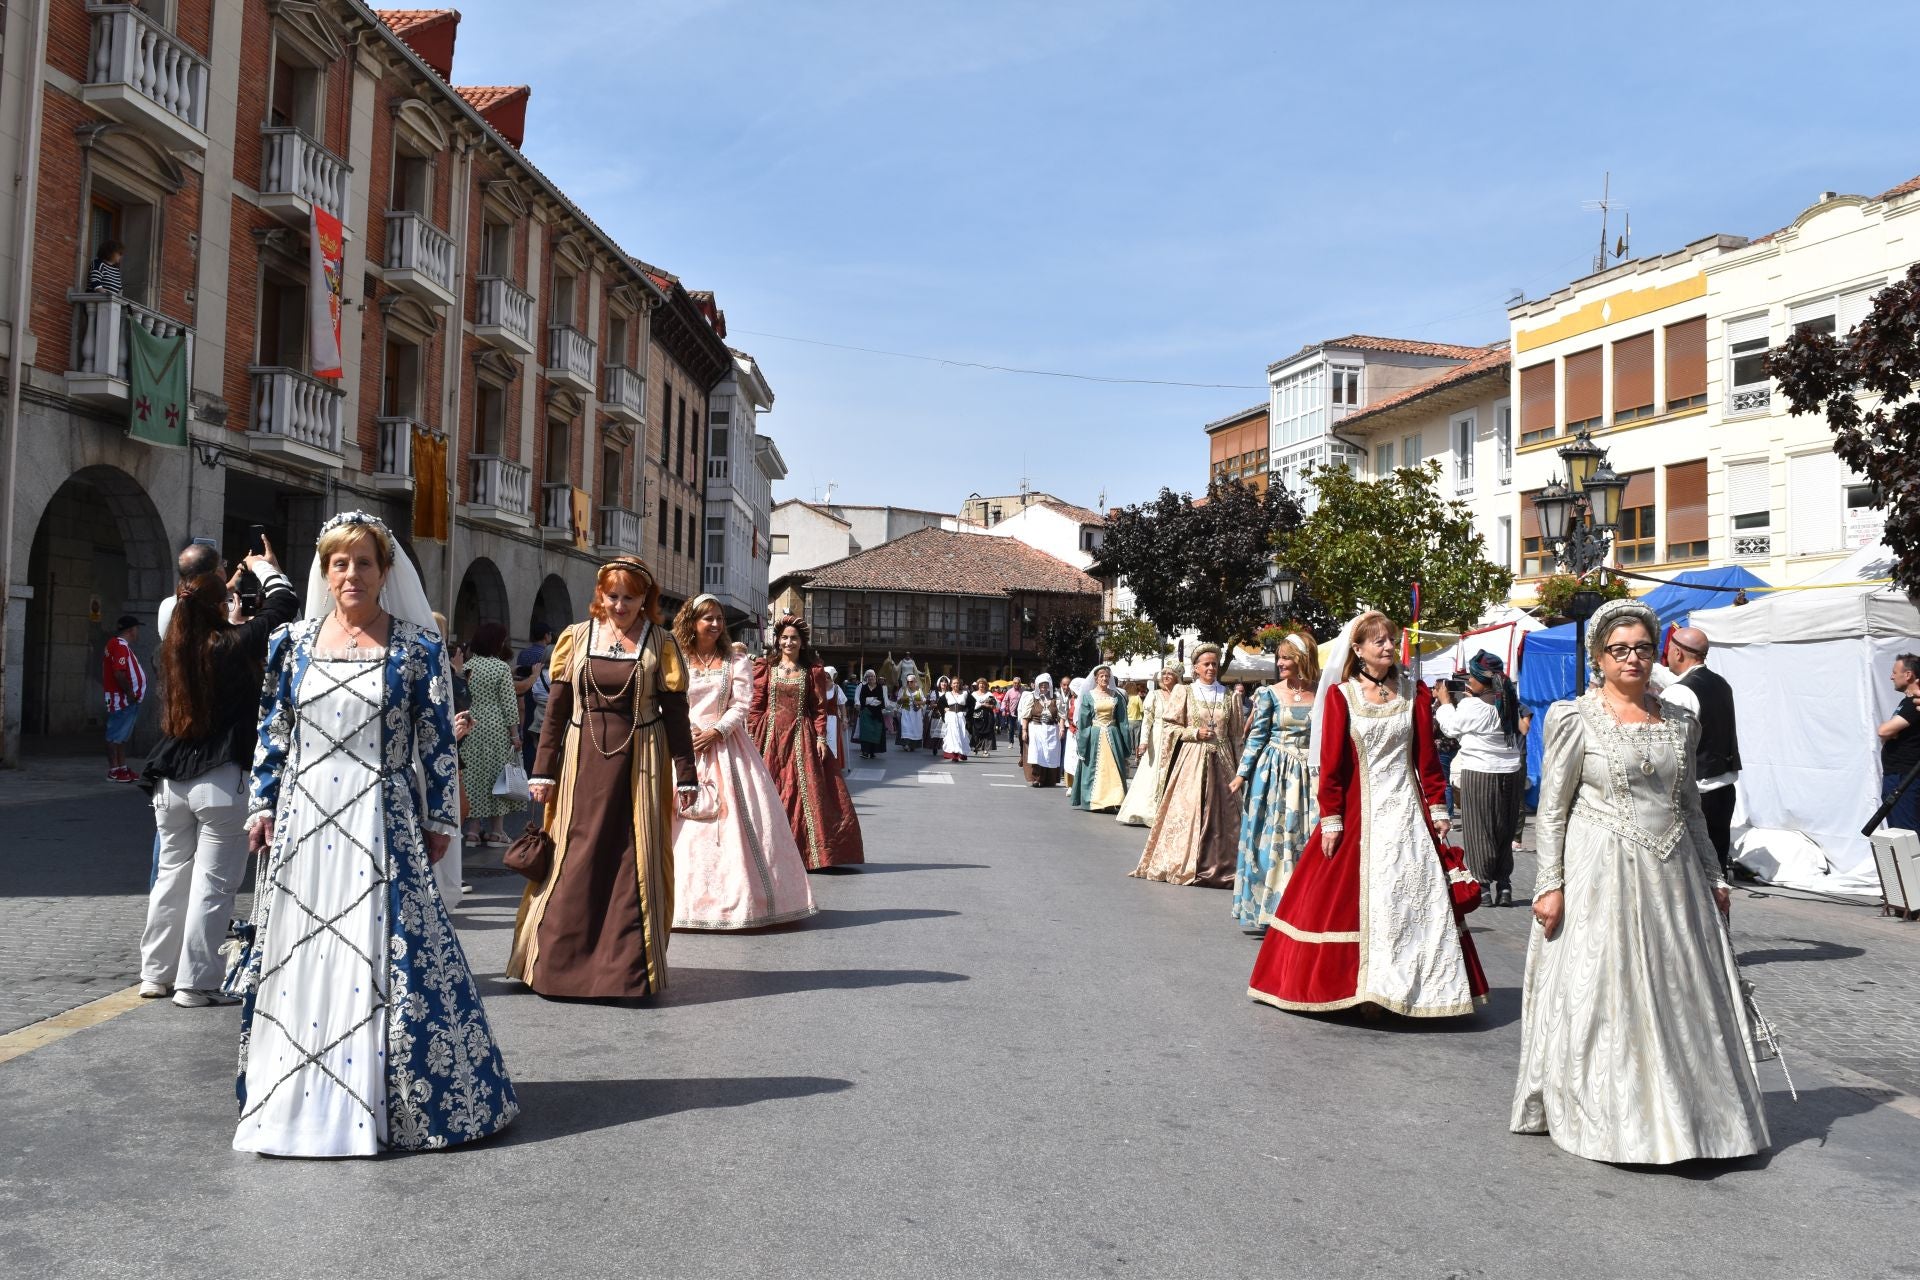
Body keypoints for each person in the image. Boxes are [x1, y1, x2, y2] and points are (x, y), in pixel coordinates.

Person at [234, 511, 516, 1156]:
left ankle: (383, 1092)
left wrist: (442, 813)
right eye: (340, 563)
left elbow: (437, 740)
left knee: (384, 953)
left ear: (385, 572)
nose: (352, 575)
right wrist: (263, 805)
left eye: (364, 562)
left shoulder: (417, 649)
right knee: (302, 952)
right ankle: (293, 1091)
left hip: (381, 815)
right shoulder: (292, 645)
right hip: (305, 820)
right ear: (325, 572)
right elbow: (274, 733)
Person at [1512, 599, 1768, 1163]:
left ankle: (1694, 1119)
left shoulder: (1681, 719)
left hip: (1673, 876)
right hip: (1601, 869)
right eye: (1619, 649)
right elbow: (1552, 810)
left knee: (1680, 992)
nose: (1633, 658)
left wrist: (1713, 874)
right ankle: (1613, 1113)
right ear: (1599, 657)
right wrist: (1549, 884)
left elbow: (1691, 809)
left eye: (1643, 648)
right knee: (1608, 991)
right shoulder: (1573, 717)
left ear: (1659, 653)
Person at [1248, 611, 1488, 1017]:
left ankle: (1417, 989)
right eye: (1379, 641)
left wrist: (1438, 806)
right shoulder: (1343, 696)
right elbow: (1333, 763)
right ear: (1358, 650)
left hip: (1408, 811)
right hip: (1363, 811)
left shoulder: (1415, 692)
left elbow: (1427, 760)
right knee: (1351, 899)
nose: (1389, 647)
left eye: (1391, 640)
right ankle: (1367, 987)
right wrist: (1332, 818)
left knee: (1414, 897)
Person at [510, 558, 697, 998]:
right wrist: (543, 771)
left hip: (642, 762)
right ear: (601, 595)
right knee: (576, 853)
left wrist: (686, 776)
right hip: (582, 759)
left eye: (629, 598)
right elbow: (554, 712)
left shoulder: (661, 643)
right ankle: (556, 964)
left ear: (644, 600)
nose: (619, 605)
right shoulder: (575, 639)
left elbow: (676, 715)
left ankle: (624, 973)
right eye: (612, 596)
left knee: (635, 856)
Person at [137, 538, 299, 1006]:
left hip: (170, 781)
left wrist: (217, 587)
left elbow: (186, 608)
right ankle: (196, 982)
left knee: (169, 878)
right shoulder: (230, 645)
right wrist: (264, 568)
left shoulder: (169, 650)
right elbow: (284, 606)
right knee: (213, 887)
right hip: (221, 779)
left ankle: (155, 974)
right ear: (220, 603)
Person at [670, 595, 817, 930]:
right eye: (708, 618)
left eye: (719, 618)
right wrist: (689, 731)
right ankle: (675, 902)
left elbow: (742, 704)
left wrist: (716, 731)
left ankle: (743, 902)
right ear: (692, 622)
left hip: (727, 748)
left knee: (738, 823)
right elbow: (670, 699)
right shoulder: (676, 657)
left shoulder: (734, 658)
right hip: (684, 744)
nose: (716, 624)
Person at [751, 614, 865, 869]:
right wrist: (750, 737)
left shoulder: (811, 671)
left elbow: (818, 708)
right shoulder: (765, 668)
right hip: (769, 735)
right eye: (784, 638)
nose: (789, 642)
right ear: (778, 641)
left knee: (804, 792)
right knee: (770, 789)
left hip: (801, 735)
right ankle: (767, 849)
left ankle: (806, 852)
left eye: (794, 638)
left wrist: (821, 738)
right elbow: (756, 706)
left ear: (802, 642)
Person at [1131, 643, 1244, 887]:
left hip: (1222, 759)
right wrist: (1194, 732)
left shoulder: (1229, 696)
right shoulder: (1185, 692)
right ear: (1196, 668)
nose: (1211, 668)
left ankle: (1224, 863)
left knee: (1226, 814)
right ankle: (1186, 862)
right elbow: (1171, 726)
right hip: (1193, 759)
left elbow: (1236, 736)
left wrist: (1241, 770)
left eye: (1214, 664)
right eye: (1206, 664)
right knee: (1189, 808)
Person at [1229, 635, 1320, 933]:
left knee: (1303, 838)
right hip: (1274, 774)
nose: (1279, 663)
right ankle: (1271, 908)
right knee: (1273, 839)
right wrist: (1242, 773)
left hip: (1309, 775)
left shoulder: (1322, 693)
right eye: (1278, 657)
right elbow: (1256, 737)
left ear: (1303, 659)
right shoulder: (1269, 694)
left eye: (1286, 657)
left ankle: (1302, 908)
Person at [1435, 651, 1531, 907]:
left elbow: (1451, 728)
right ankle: (1505, 885)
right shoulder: (1509, 700)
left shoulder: (1473, 705)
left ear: (1479, 678)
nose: (1468, 682)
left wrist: (1445, 702)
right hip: (1511, 770)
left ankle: (1483, 885)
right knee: (1504, 828)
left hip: (1481, 771)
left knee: (1480, 829)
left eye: (1471, 677)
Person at [1657, 626, 1742, 877]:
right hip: (1723, 789)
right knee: (1715, 871)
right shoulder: (1721, 683)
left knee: (1690, 875)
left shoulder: (1679, 692)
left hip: (1696, 794)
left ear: (1678, 653)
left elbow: (1671, 750)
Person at [459, 621, 524, 847]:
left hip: (470, 724)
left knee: (473, 776)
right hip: (496, 726)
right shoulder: (500, 668)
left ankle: (473, 831)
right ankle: (497, 832)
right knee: (499, 776)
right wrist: (515, 735)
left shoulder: (467, 666)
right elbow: (509, 703)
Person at [1116, 664, 1181, 827]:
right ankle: (1146, 811)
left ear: (1176, 677)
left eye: (1170, 674)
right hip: (1157, 737)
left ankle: (1166, 812)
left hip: (1176, 737)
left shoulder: (1181, 695)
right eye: (1164, 673)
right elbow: (1147, 721)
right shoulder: (1155, 695)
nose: (1165, 676)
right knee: (1152, 771)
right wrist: (1143, 741)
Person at [1069, 661, 1133, 813]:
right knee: (1094, 768)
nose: (1105, 679)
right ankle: (1095, 800)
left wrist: (1126, 743)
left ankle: (1113, 800)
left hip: (1112, 734)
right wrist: (1082, 742)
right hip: (1095, 734)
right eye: (1102, 676)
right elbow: (1084, 722)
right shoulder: (1088, 697)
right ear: (1096, 679)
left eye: (1107, 676)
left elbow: (1123, 721)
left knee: (1113, 768)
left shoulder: (1116, 696)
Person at [1878, 653, 1920, 832]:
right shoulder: (1908, 701)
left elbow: (1884, 731)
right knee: (1899, 831)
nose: (1891, 676)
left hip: (1905, 777)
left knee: (1905, 832)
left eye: (1895, 672)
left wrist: (1890, 732)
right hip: (1898, 775)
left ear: (1908, 674)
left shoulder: (1913, 703)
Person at [103, 614, 146, 782]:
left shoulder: (115, 644)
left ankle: (121, 767)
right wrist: (129, 692)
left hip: (124, 698)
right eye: (136, 629)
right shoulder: (119, 646)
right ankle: (114, 769)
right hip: (122, 698)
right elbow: (119, 673)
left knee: (121, 735)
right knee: (115, 734)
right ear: (130, 630)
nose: (138, 632)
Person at [1022, 673, 1067, 786]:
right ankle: (1037, 778)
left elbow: (1062, 715)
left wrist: (1061, 728)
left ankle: (1049, 779)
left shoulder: (1056, 698)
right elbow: (1026, 716)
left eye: (1045, 684)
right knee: (1038, 753)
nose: (1043, 687)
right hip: (1036, 728)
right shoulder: (1032, 698)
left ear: (1049, 685)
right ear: (1037, 686)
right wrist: (1024, 730)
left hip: (1052, 729)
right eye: (1041, 685)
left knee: (1050, 753)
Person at [856, 669, 891, 759]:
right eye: (869, 676)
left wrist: (869, 700)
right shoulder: (863, 687)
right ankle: (865, 752)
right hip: (866, 713)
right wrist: (872, 700)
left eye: (873, 676)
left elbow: (880, 700)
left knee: (875, 732)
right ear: (867, 678)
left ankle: (872, 752)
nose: (871, 678)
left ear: (875, 677)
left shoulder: (880, 687)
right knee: (866, 733)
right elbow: (862, 699)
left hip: (877, 714)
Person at [939, 675, 973, 762]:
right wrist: (945, 709)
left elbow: (972, 703)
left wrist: (966, 712)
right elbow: (940, 703)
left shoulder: (965, 694)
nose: (956, 685)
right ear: (951, 685)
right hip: (951, 716)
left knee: (961, 734)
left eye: (957, 683)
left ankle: (961, 753)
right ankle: (954, 754)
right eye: (954, 683)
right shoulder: (947, 694)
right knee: (952, 735)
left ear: (960, 684)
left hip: (961, 717)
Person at [897, 672, 929, 751]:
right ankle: (906, 744)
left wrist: (918, 702)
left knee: (915, 728)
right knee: (906, 727)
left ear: (915, 682)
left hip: (916, 713)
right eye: (908, 682)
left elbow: (924, 701)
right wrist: (901, 699)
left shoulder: (919, 690)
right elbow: (898, 702)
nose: (909, 683)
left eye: (911, 682)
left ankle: (913, 745)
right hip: (906, 712)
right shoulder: (903, 690)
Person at [821, 665, 847, 762]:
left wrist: (844, 719)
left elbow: (842, 704)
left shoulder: (836, 688)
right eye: (824, 676)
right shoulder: (818, 688)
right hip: (820, 719)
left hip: (833, 720)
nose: (826, 679)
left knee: (833, 742)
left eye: (828, 677)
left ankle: (834, 764)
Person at [969, 677, 998, 754]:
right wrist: (982, 704)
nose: (981, 685)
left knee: (987, 733)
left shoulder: (989, 694)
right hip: (976, 716)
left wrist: (986, 706)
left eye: (983, 684)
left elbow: (993, 706)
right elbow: (971, 705)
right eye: (980, 684)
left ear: (986, 685)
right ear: (978, 685)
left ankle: (986, 749)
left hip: (987, 716)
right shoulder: (973, 694)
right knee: (976, 732)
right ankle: (976, 747)